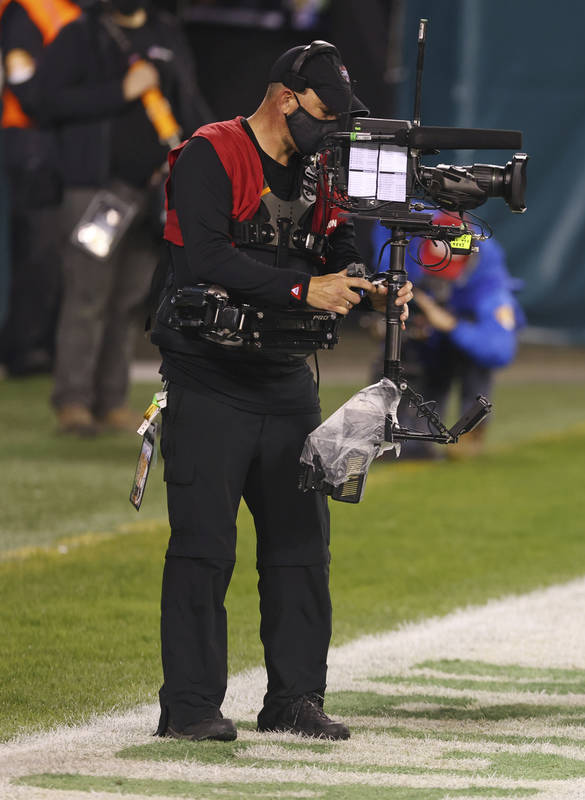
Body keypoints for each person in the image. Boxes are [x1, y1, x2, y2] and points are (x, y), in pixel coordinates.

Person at [147, 40, 412, 742]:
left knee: (302, 549)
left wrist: (369, 281)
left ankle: (294, 699)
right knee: (204, 548)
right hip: (208, 379)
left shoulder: (319, 170)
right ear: (285, 97)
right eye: (323, 112)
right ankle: (192, 706)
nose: (330, 130)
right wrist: (304, 287)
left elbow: (340, 243)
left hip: (288, 381)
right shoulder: (210, 153)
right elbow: (202, 255)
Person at [35, 0, 211, 434]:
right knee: (87, 295)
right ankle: (74, 401)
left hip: (153, 194)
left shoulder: (166, 33)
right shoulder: (81, 35)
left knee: (129, 298)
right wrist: (120, 90)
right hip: (98, 193)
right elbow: (42, 100)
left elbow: (190, 103)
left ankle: (111, 401)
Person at [373, 210, 523, 458]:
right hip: (426, 345)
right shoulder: (407, 236)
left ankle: (472, 429)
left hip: (458, 336)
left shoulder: (489, 281)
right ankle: (397, 432)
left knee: (479, 354)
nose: (440, 278)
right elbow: (378, 221)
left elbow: (500, 349)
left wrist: (450, 326)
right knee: (396, 346)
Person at [0, 0, 79, 377]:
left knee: (65, 250)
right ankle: (26, 350)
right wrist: (76, 106)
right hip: (32, 140)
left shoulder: (78, 12)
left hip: (67, 141)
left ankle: (47, 345)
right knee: (38, 247)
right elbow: (23, 82)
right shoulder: (26, 9)